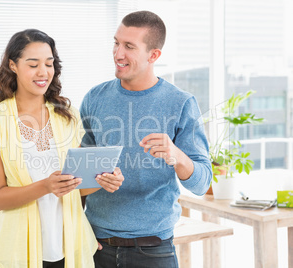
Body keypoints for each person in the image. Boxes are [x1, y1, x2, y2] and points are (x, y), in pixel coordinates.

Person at [0, 29, 123, 268]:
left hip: (72, 249)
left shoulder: (67, 115)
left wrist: (103, 181)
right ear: (13, 65)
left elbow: (76, 187)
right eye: (33, 64)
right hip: (19, 253)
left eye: (49, 63)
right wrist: (45, 186)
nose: (43, 72)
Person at [80, 11, 212, 268]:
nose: (118, 53)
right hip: (94, 247)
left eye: (129, 46)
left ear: (153, 55)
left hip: (154, 252)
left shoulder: (180, 103)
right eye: (116, 43)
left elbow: (202, 182)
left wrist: (178, 156)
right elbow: (78, 179)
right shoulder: (94, 98)